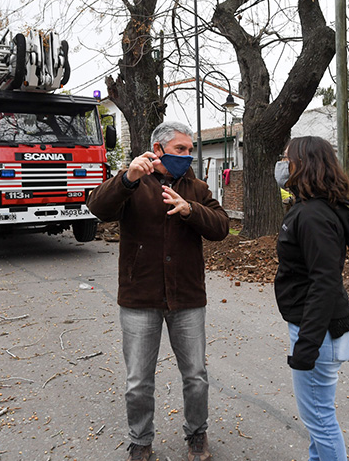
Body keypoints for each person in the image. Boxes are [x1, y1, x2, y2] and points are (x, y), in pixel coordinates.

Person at [86, 121, 229, 461]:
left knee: (196, 376)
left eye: (190, 149)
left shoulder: (197, 187)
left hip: (187, 298)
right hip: (140, 298)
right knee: (138, 381)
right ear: (159, 149)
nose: (188, 155)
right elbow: (98, 207)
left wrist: (191, 210)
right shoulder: (134, 182)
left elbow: (222, 226)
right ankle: (140, 441)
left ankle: (197, 434)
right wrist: (126, 179)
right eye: (181, 149)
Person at [273, 136, 349, 461]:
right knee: (318, 416)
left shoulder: (315, 216)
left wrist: (307, 344)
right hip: (318, 328)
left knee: (320, 420)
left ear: (303, 164)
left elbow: (324, 282)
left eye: (286, 158)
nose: (282, 164)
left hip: (318, 331)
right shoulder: (312, 209)